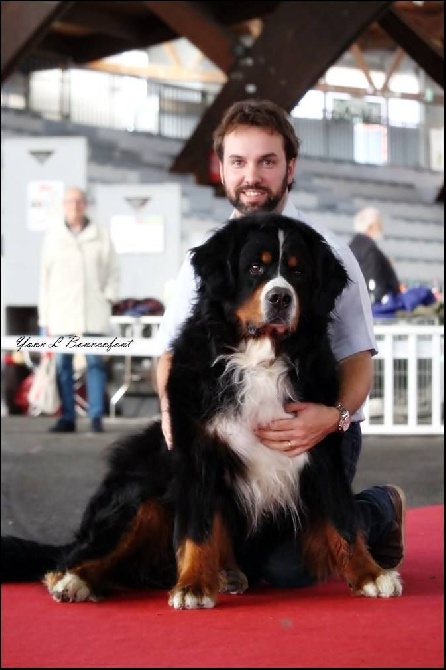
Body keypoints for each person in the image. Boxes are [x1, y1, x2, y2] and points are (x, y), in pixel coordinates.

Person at [154, 99, 406, 587]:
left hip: (314, 429)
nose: (253, 175)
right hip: (233, 432)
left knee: (286, 570)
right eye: (239, 162)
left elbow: (357, 360)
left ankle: (377, 508)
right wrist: (173, 417)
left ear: (290, 168)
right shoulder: (203, 259)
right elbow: (169, 355)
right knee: (194, 542)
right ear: (221, 169)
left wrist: (331, 417)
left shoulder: (330, 253)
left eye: (267, 161)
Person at [38, 186, 120, 433]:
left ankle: (95, 417)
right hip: (62, 312)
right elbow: (45, 279)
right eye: (70, 202)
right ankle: (67, 417)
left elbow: (114, 271)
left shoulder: (101, 235)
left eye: (79, 202)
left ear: (85, 205)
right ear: (64, 205)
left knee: (95, 364)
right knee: (63, 366)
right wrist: (45, 318)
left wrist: (108, 297)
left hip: (93, 311)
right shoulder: (53, 236)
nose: (74, 206)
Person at [349, 206, 401, 304]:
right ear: (371, 226)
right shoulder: (369, 249)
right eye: (379, 224)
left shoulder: (351, 247)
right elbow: (373, 283)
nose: (381, 227)